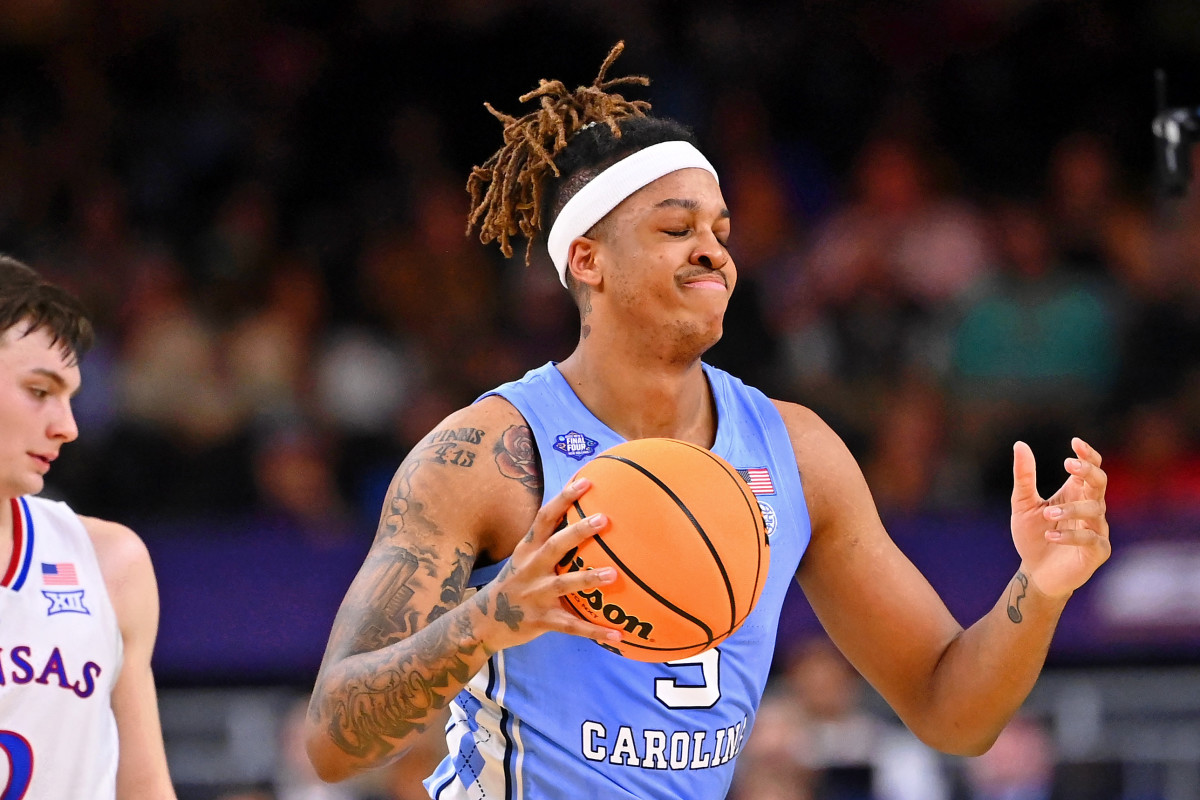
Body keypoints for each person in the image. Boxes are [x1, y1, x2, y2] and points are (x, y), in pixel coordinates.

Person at [304, 43, 1111, 800]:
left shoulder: (796, 452)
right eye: (676, 228)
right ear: (587, 259)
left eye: (721, 231)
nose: (715, 251)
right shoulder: (486, 454)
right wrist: (491, 617)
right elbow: (333, 742)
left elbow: (953, 713)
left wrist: (1038, 589)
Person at [0, 256, 176, 798]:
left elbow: (144, 788)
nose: (67, 427)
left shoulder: (110, 562)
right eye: (39, 390)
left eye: (70, 397)